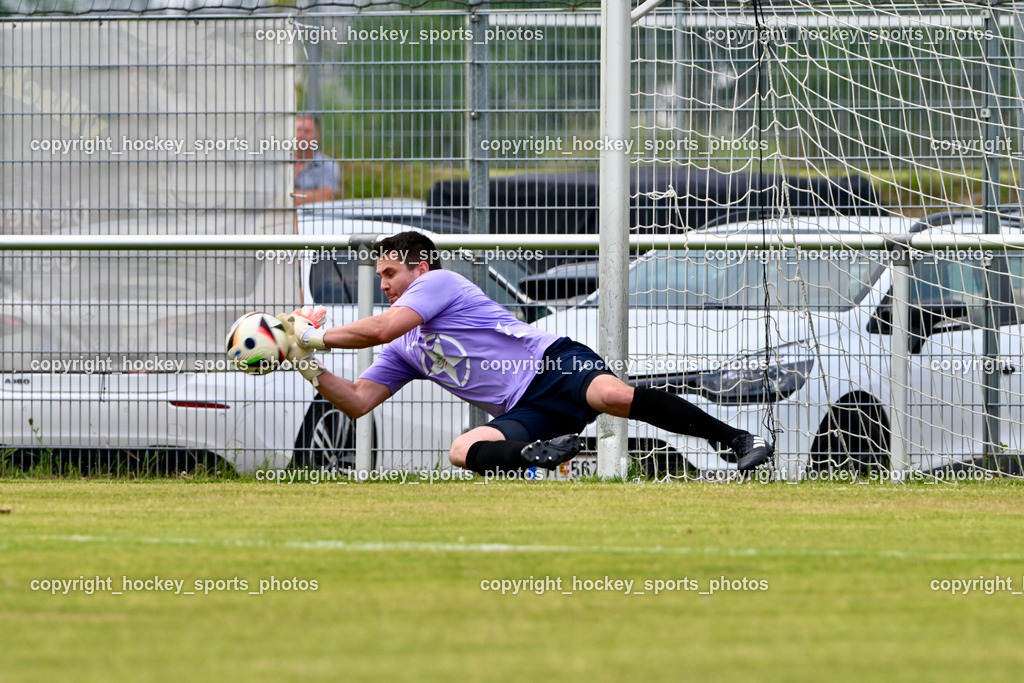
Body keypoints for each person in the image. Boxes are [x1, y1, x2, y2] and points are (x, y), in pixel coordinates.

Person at [277, 231, 773, 475]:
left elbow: (383, 328)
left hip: (552, 364)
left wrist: (309, 335)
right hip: (524, 408)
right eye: (381, 276)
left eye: (390, 274)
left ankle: (733, 438)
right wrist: (302, 361)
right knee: (460, 451)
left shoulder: (441, 284)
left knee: (612, 395)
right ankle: (537, 453)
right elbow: (359, 400)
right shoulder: (405, 350)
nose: (383, 284)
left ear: (420, 269)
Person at [294, 115, 340, 206]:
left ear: (317, 136)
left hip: (314, 218)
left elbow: (325, 197)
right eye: (297, 130)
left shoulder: (328, 165)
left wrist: (288, 196)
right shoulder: (279, 162)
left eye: (306, 131)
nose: (300, 135)